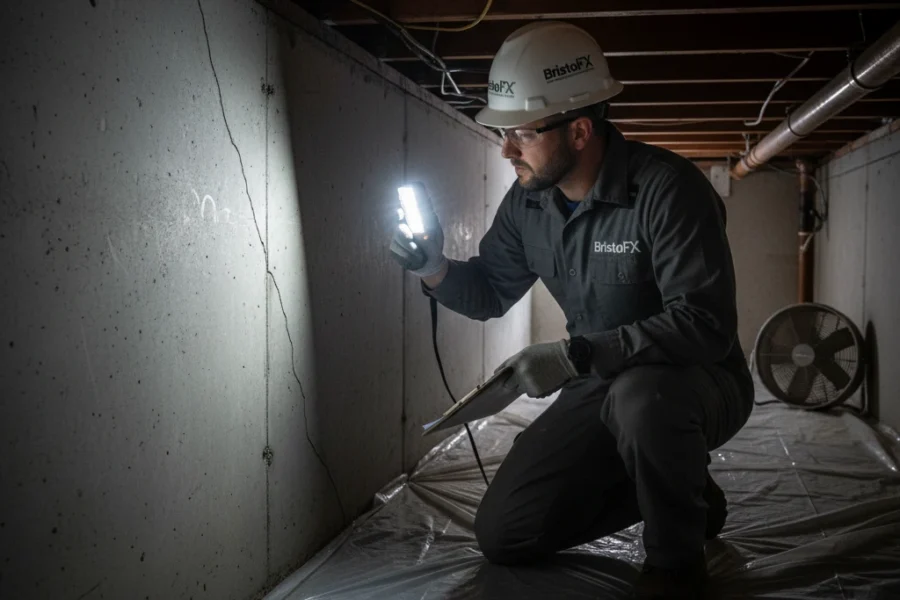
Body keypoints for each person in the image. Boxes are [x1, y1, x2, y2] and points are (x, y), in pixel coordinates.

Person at [389, 20, 754, 600]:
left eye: (523, 134)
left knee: (643, 401)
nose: (506, 149)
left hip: (694, 380)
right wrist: (434, 266)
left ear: (580, 131)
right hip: (598, 380)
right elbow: (489, 290)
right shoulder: (528, 202)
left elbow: (705, 325)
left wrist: (576, 354)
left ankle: (674, 566)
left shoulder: (668, 190)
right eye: (504, 134)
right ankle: (682, 487)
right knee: (504, 532)